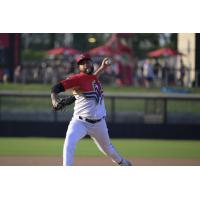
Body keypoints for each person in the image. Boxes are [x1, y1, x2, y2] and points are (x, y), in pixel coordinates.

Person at [51, 54, 132, 166]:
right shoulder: (77, 79)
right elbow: (55, 88)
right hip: (80, 122)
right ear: (79, 67)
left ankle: (123, 163)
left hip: (99, 123)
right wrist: (54, 101)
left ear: (92, 63)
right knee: (69, 142)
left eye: (87, 62)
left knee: (108, 150)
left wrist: (102, 68)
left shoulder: (93, 78)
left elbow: (92, 78)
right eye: (82, 63)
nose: (86, 64)